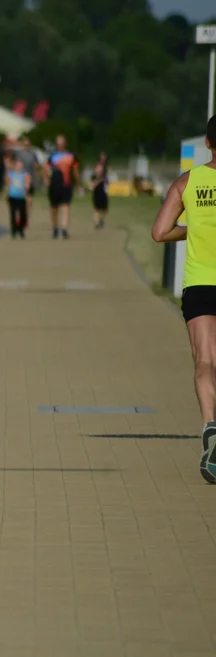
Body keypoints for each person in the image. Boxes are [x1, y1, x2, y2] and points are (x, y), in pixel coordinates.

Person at [150, 115, 216, 483]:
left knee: (205, 360)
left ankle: (210, 424)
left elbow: (159, 232)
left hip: (202, 284)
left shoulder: (187, 183)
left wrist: (192, 231)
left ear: (207, 143)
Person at [44, 134, 81, 239]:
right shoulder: (52, 157)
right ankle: (55, 227)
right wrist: (46, 179)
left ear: (65, 144)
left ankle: (64, 229)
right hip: (54, 185)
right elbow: (45, 169)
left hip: (66, 184)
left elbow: (75, 171)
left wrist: (78, 184)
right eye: (58, 144)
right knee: (54, 209)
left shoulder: (71, 156)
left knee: (66, 206)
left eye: (61, 143)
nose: (59, 145)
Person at [6, 156, 31, 239]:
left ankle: (21, 229)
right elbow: (8, 185)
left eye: (20, 165)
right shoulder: (10, 174)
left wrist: (27, 193)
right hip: (12, 196)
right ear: (15, 165)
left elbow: (27, 185)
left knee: (22, 215)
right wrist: (7, 194)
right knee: (13, 214)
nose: (19, 166)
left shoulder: (25, 175)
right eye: (17, 165)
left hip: (22, 197)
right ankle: (13, 231)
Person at [90, 151, 110, 229]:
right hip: (97, 188)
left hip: (103, 188)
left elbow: (106, 179)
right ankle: (97, 222)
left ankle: (101, 220)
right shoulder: (97, 166)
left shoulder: (106, 168)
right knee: (97, 207)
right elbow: (95, 177)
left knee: (105, 208)